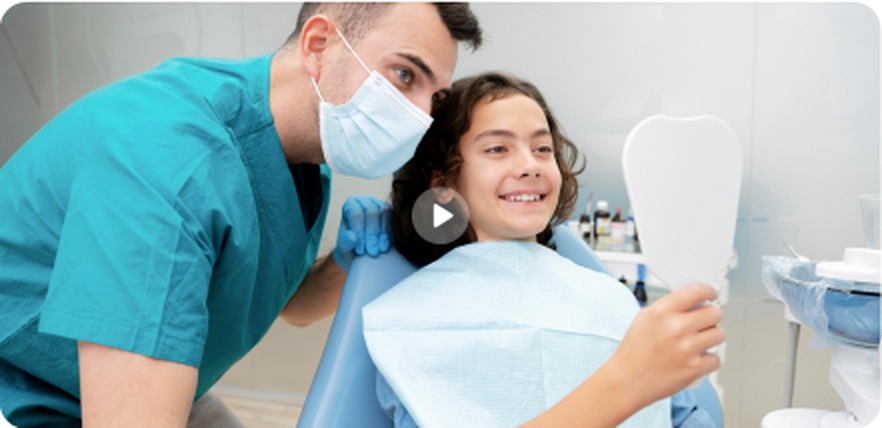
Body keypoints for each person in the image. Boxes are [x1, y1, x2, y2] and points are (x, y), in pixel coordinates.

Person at [0, 3, 482, 427]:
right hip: (35, 395)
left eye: (434, 97)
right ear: (319, 44)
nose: (421, 115)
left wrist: (346, 262)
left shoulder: (303, 153)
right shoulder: (172, 171)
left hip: (158, 378)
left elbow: (291, 307)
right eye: (404, 75)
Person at [362, 72, 724, 427]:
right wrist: (628, 380)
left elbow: (683, 416)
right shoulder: (409, 327)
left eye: (542, 148)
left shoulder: (612, 300)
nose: (530, 165)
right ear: (443, 182)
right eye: (497, 149)